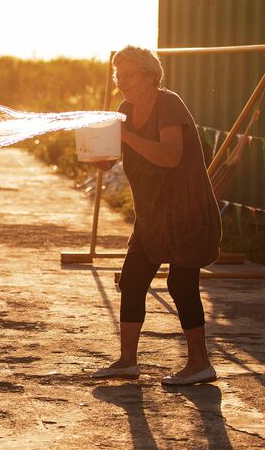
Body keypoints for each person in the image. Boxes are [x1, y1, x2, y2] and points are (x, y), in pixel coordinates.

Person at [91, 45, 221, 386]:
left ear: (151, 76)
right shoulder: (125, 110)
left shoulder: (169, 103)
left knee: (181, 283)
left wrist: (126, 136)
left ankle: (200, 364)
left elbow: (169, 156)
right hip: (152, 214)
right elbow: (121, 151)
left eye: (129, 76)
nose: (122, 83)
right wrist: (101, 156)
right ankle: (127, 361)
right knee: (132, 281)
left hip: (187, 210)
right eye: (118, 76)